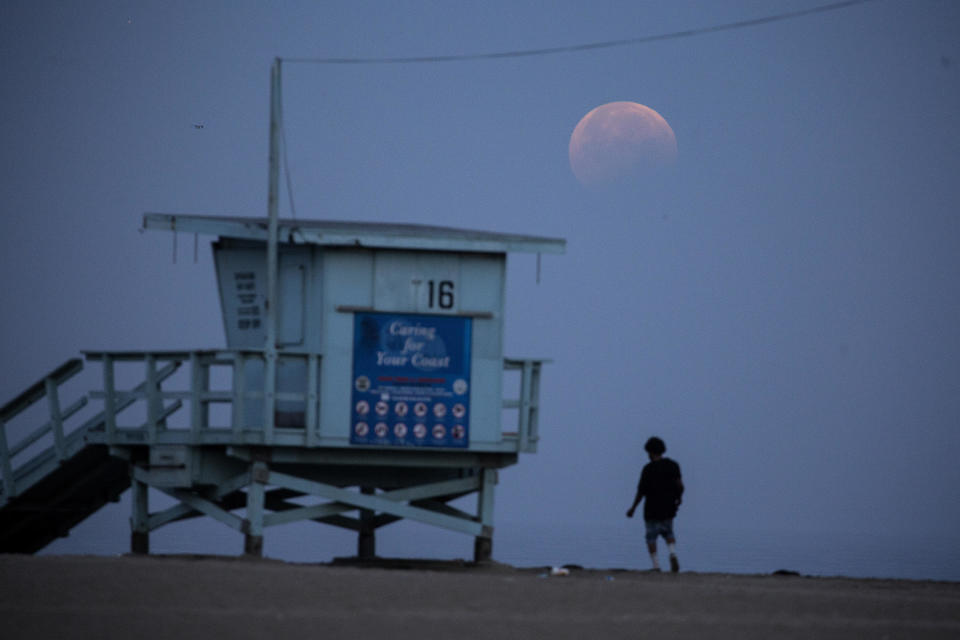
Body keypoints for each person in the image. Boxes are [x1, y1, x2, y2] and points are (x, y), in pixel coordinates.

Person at [626, 436, 684, 572]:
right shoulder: (673, 465)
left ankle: (656, 565)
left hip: (651, 508)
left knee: (651, 537)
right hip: (669, 505)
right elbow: (680, 485)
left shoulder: (648, 469)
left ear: (650, 452)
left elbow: (641, 492)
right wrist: (679, 498)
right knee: (668, 533)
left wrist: (633, 508)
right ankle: (672, 553)